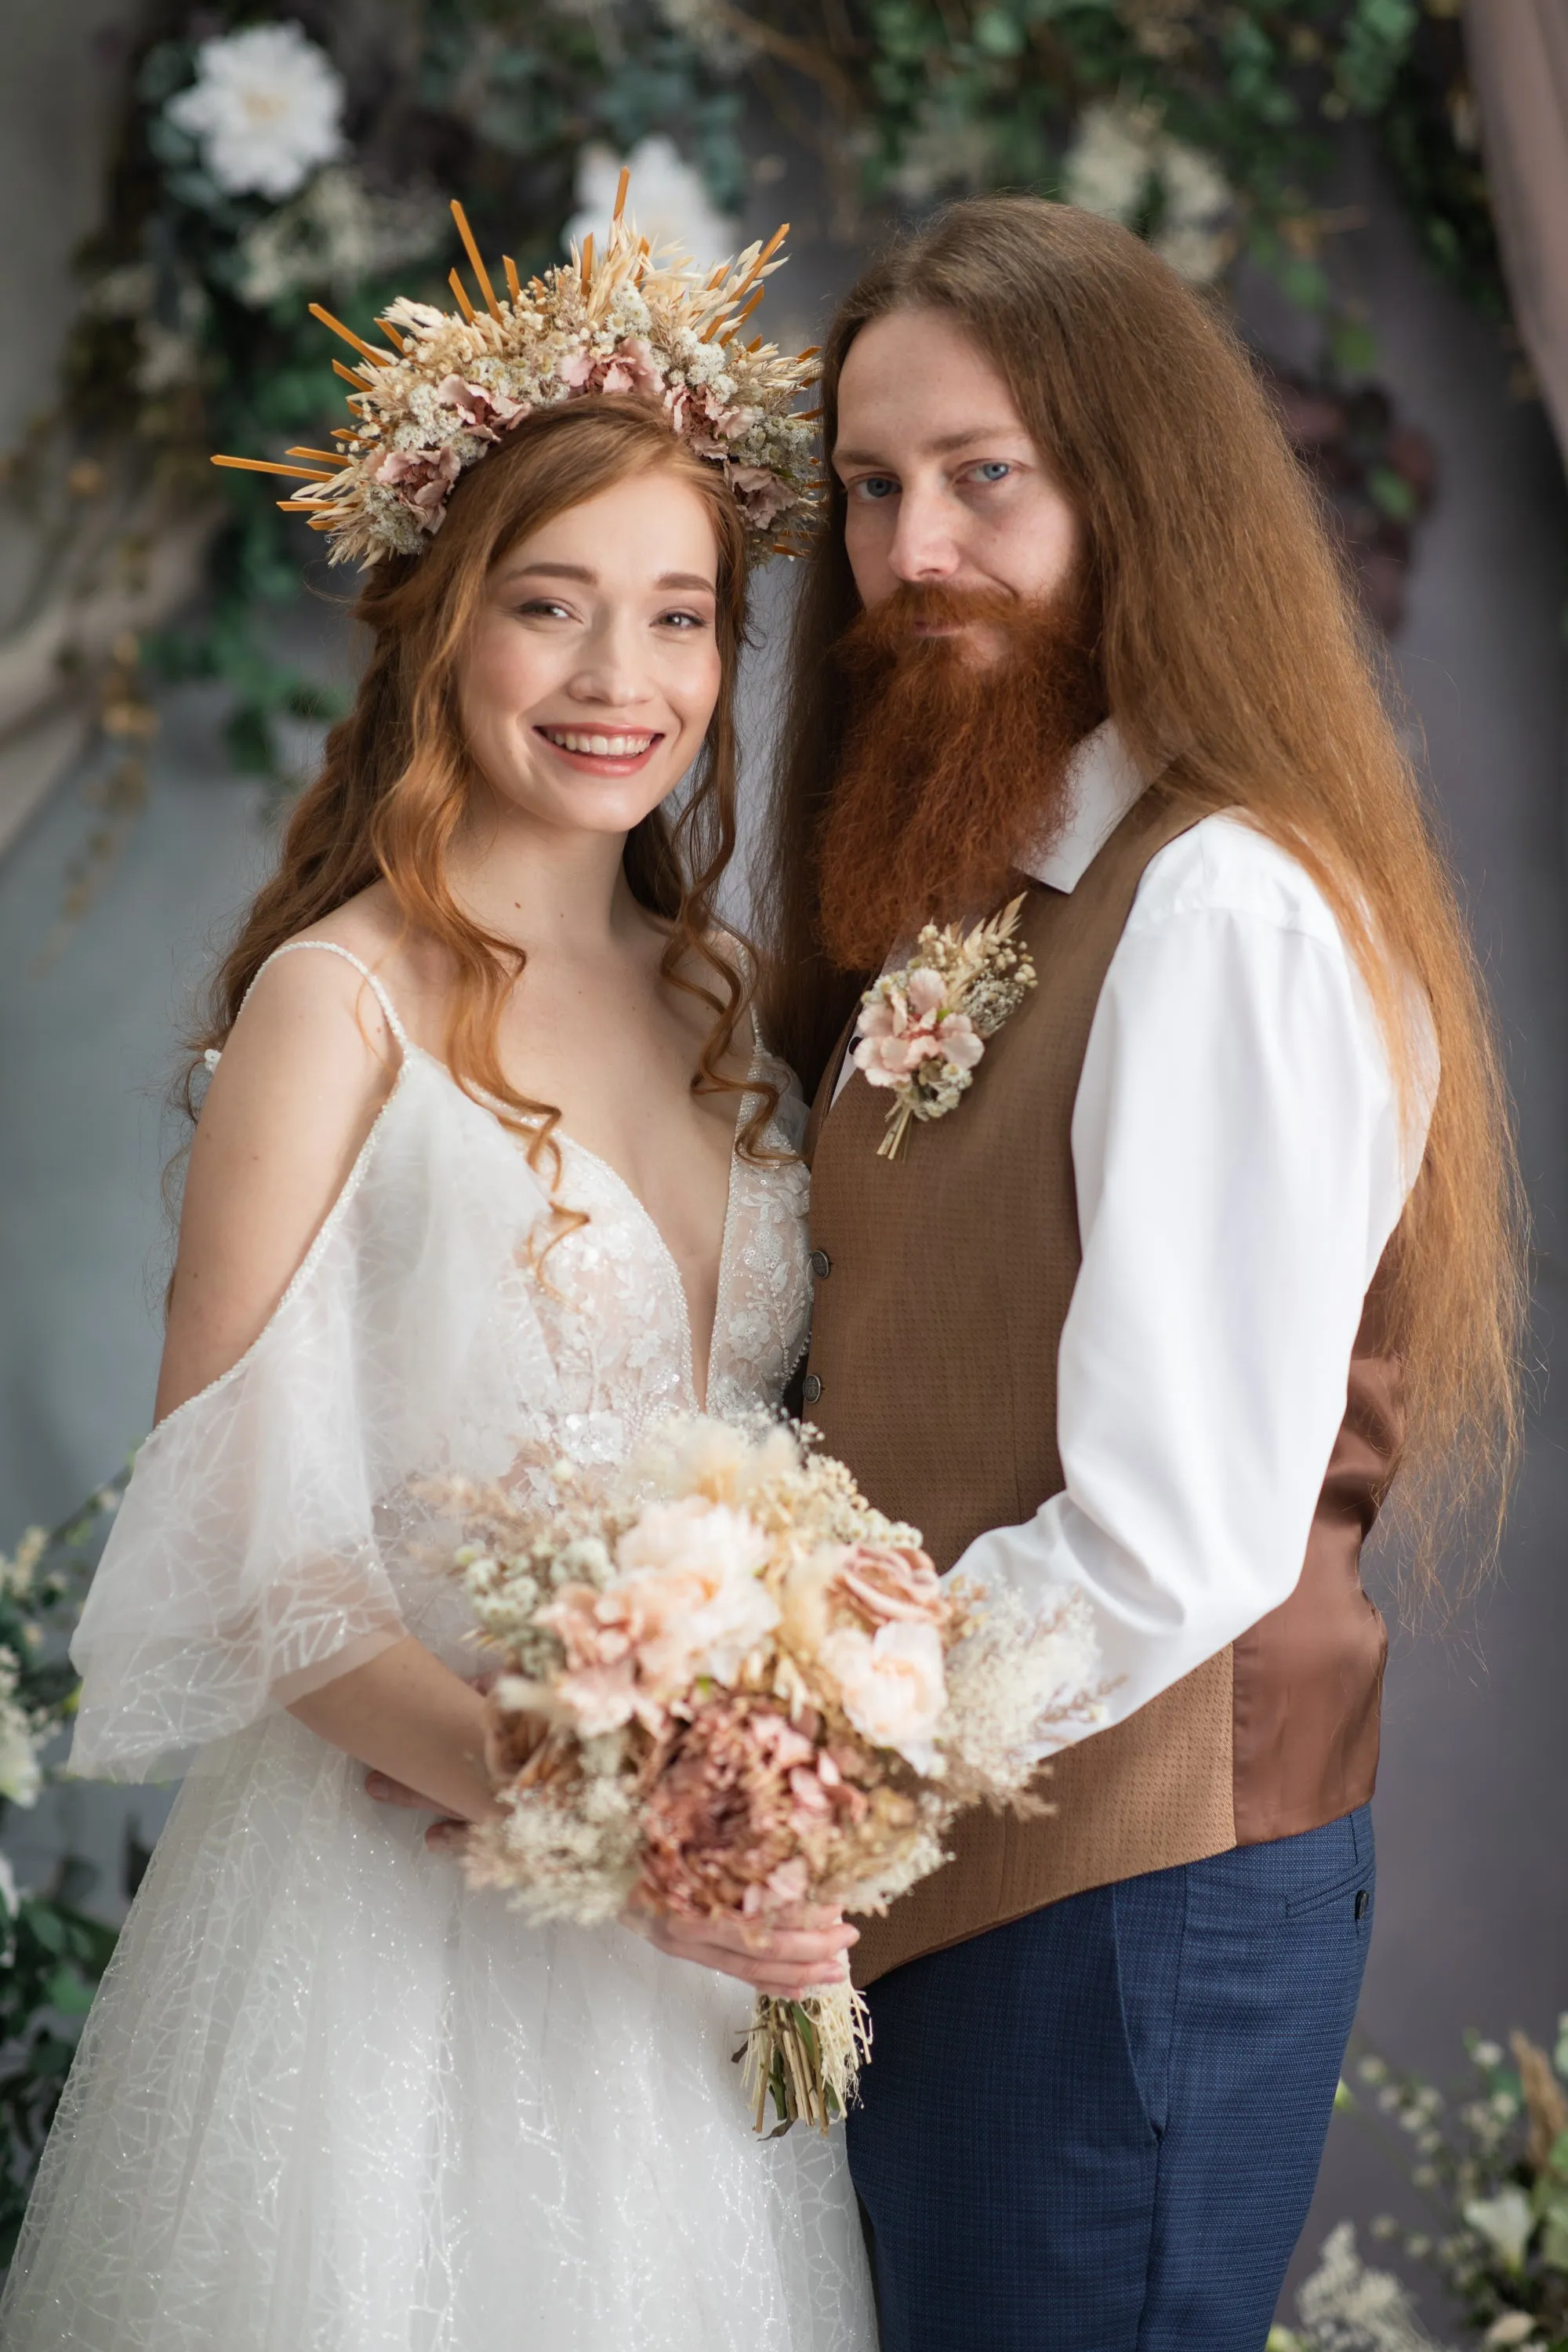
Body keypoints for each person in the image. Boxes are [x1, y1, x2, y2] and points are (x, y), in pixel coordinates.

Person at [0, 214, 875, 2352]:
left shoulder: (730, 1003)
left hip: (687, 1976)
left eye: (679, 619)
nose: (618, 682)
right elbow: (246, 1545)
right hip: (393, 1927)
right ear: (439, 623)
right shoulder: (339, 1005)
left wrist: (774, 1787)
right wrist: (607, 1809)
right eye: (550, 607)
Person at [734, 196, 1524, 2351]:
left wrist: (802, 1758)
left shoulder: (1225, 909)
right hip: (961, 1873)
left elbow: (1177, 1532)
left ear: (1136, 488)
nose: (911, 557)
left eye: (985, 477)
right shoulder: (978, 900)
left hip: (1129, 1903)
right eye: (874, 489)